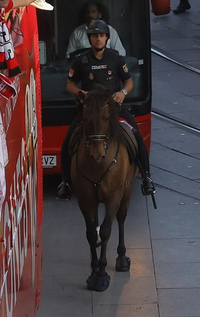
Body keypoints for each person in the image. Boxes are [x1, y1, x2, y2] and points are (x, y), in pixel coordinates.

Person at [58, 20, 153, 198]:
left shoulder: (116, 58)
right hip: (89, 111)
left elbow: (129, 81)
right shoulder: (81, 60)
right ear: (90, 39)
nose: (99, 39)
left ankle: (147, 177)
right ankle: (65, 182)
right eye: (95, 36)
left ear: (107, 38)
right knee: (67, 141)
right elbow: (70, 85)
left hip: (113, 109)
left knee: (136, 136)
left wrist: (123, 93)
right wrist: (81, 93)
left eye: (102, 36)